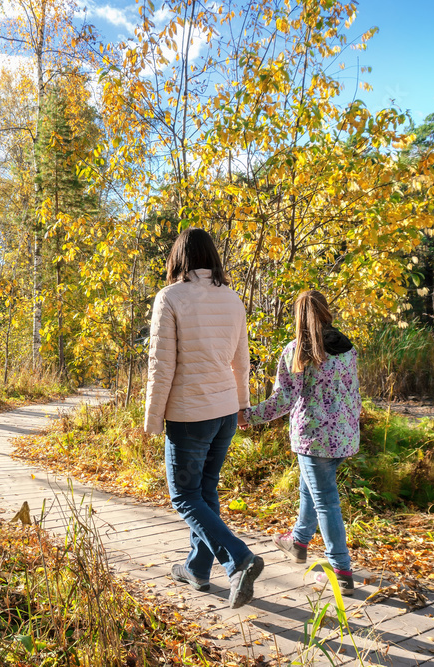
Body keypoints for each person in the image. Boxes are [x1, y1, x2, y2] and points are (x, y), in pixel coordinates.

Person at [144, 227, 263, 609]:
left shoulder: (170, 297)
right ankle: (197, 569)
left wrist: (153, 419)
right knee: (205, 492)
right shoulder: (232, 298)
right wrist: (243, 406)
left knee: (184, 496)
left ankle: (239, 559)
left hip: (190, 414)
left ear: (177, 258)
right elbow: (241, 361)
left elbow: (161, 365)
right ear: (212, 256)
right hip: (225, 411)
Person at [239, 290, 361, 593]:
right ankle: (298, 542)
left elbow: (283, 400)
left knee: (326, 502)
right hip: (344, 436)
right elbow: (354, 393)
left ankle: (340, 570)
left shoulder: (297, 351)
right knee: (311, 490)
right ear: (325, 311)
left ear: (299, 316)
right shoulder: (347, 348)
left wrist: (247, 416)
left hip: (313, 439)